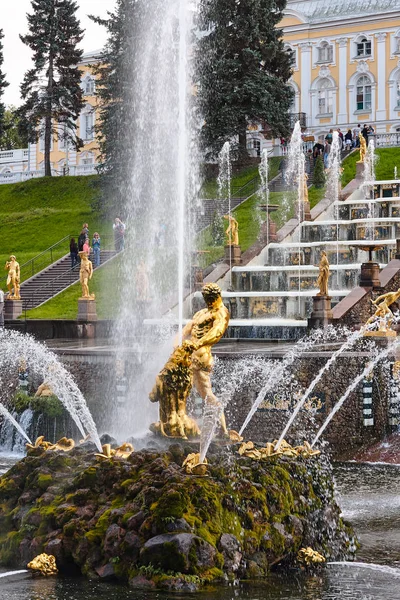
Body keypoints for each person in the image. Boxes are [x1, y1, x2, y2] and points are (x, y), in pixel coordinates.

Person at [180, 283, 230, 436]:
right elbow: (186, 330)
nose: (208, 301)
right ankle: (182, 424)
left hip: (201, 356)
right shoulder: (201, 313)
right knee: (181, 389)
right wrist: (177, 345)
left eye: (211, 298)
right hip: (187, 355)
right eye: (206, 298)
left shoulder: (221, 312)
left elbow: (216, 333)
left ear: (217, 296)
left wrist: (197, 344)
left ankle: (223, 430)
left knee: (206, 394)